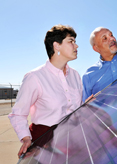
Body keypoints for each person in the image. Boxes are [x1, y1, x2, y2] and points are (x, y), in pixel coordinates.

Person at [8, 24, 83, 158]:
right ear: (56, 46)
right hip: (44, 143)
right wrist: (25, 138)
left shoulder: (75, 75)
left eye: (75, 42)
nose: (76, 46)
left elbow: (75, 109)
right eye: (71, 41)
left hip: (72, 141)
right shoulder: (35, 77)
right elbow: (18, 114)